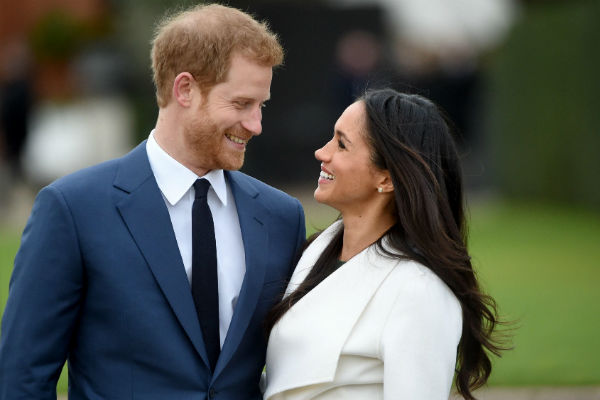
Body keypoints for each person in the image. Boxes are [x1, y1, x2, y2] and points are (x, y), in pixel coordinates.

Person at [0, 4, 305, 400]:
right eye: (241, 104)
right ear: (184, 89)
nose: (255, 124)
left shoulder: (281, 217)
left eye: (260, 106)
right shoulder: (73, 209)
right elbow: (21, 378)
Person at [264, 88, 504, 400]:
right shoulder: (315, 251)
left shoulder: (419, 291)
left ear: (387, 179)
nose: (322, 153)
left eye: (341, 144)